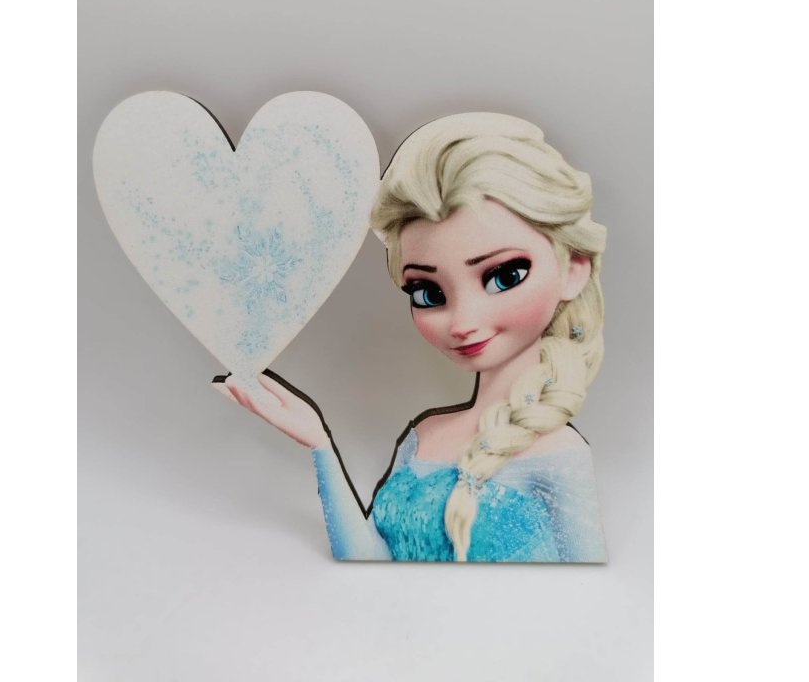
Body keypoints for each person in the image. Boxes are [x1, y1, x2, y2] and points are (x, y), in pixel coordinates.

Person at [217, 112, 608, 562]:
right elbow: (369, 559)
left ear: (573, 269)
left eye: (505, 276)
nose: (462, 322)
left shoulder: (560, 455)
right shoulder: (422, 436)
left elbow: (589, 585)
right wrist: (320, 444)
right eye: (429, 293)